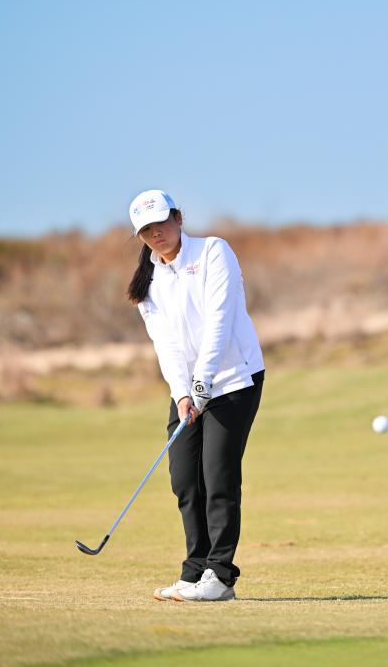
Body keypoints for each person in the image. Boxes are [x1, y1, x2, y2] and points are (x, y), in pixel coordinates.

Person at [126, 189, 265, 602]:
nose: (156, 233)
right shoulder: (148, 282)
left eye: (161, 222)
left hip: (234, 380)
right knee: (186, 480)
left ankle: (219, 577)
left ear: (178, 218)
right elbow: (166, 345)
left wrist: (203, 383)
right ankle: (195, 571)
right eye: (146, 230)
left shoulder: (213, 252)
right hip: (188, 390)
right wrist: (182, 393)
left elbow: (219, 319)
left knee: (218, 477)